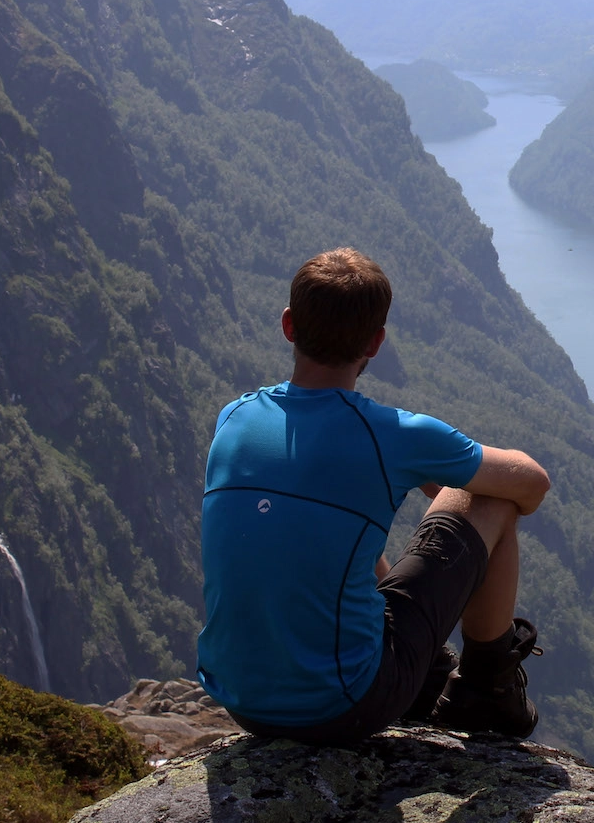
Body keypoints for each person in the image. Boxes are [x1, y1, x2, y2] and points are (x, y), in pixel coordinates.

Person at [196, 247, 550, 743]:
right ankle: (487, 690)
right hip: (342, 705)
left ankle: (427, 671)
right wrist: (449, 487)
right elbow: (531, 483)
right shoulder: (393, 436)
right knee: (491, 499)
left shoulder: (234, 417)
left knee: (335, 517)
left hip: (241, 700)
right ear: (376, 342)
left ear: (289, 326)